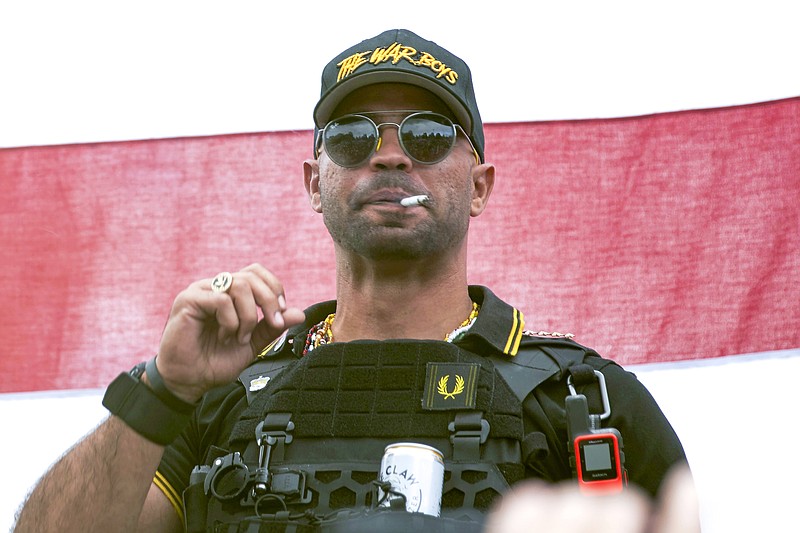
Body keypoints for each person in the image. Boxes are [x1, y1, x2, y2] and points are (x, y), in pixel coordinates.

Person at [14, 29, 690, 533]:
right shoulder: (218, 400)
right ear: (316, 181)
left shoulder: (585, 400)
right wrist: (165, 389)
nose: (390, 154)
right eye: (351, 136)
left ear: (480, 185)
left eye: (427, 134)